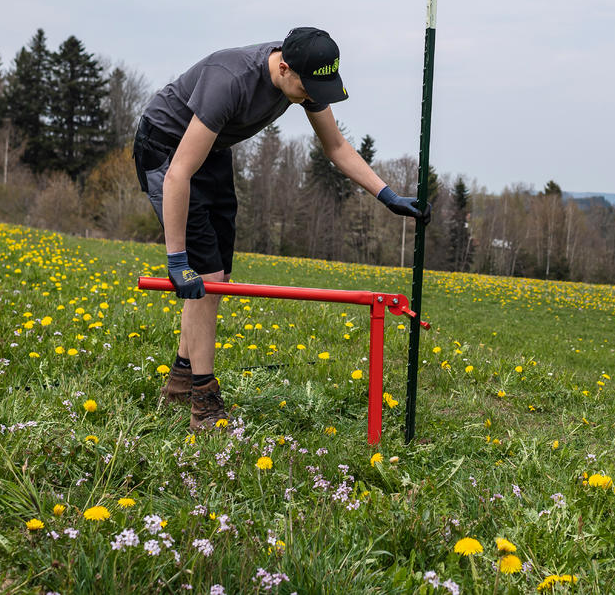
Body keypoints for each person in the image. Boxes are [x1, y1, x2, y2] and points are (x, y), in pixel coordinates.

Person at [134, 27, 429, 430]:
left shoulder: (304, 78)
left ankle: (181, 382)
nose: (313, 97)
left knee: (217, 275)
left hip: (212, 149)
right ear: (285, 68)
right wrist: (175, 257)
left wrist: (388, 195)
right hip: (167, 149)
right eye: (309, 89)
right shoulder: (230, 80)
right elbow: (179, 173)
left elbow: (337, 147)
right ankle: (203, 403)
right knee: (206, 274)